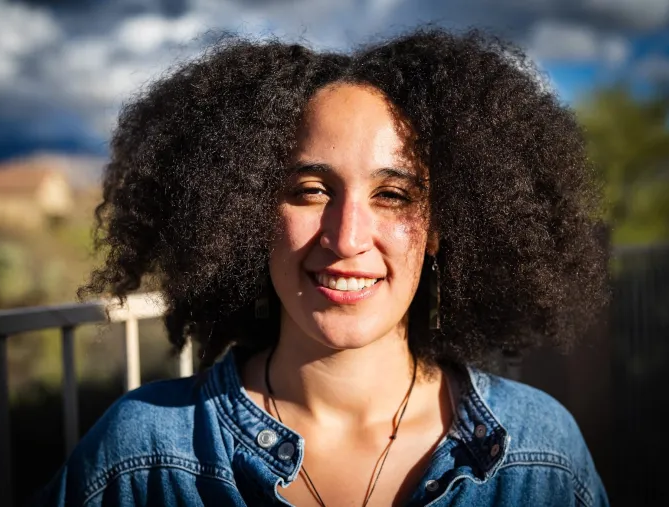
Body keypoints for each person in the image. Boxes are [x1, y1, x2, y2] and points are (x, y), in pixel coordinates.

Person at [33, 28, 610, 507]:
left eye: (393, 195)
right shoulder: (144, 455)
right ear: (246, 212)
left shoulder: (540, 455)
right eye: (310, 190)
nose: (346, 237)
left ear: (440, 229)